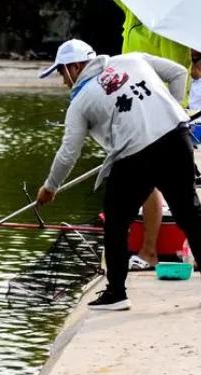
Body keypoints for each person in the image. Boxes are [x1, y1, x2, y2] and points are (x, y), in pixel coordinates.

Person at [36, 39, 201, 310]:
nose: (62, 81)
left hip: (136, 156)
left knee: (116, 221)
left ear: (75, 67)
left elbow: (68, 152)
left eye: (61, 73)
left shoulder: (80, 103)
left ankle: (116, 294)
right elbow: (178, 73)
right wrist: (171, 110)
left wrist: (50, 187)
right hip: (176, 138)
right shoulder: (131, 59)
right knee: (190, 213)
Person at [113, 0, 192, 270]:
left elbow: (178, 71)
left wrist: (170, 112)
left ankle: (149, 252)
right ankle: (147, 250)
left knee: (152, 184)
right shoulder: (137, 10)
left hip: (160, 113)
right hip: (136, 107)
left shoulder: (173, 28)